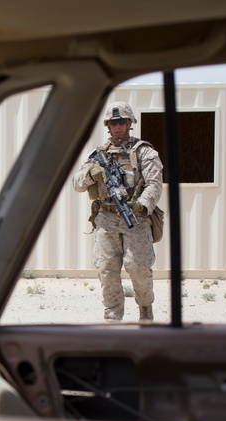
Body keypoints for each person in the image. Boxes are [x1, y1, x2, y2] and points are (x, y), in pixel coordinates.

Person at [72, 101, 163, 322]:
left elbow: (154, 184)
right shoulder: (98, 155)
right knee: (107, 269)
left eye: (122, 121)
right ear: (107, 126)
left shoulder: (144, 152)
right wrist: (91, 174)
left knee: (139, 267)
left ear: (130, 123)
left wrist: (141, 204)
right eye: (113, 123)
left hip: (136, 218)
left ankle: (145, 310)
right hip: (106, 219)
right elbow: (77, 184)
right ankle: (112, 316)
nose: (118, 126)